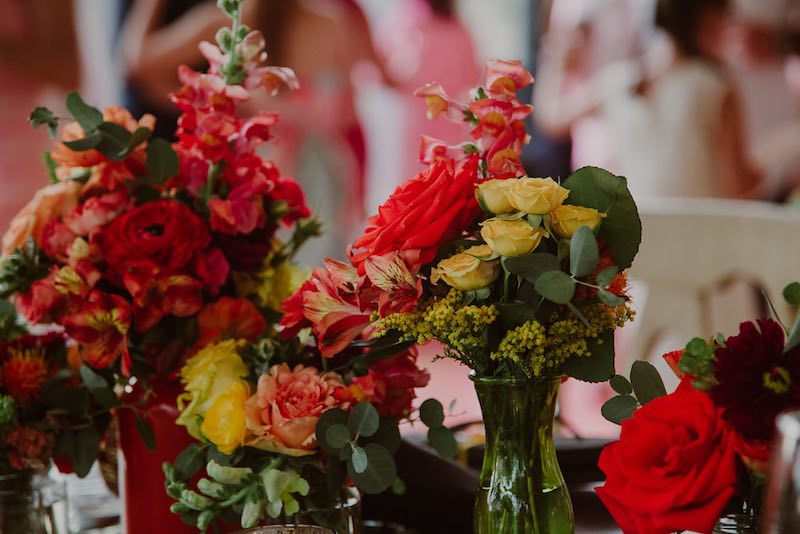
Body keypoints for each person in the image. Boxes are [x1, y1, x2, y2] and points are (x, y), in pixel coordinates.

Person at [536, 0, 761, 200]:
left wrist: (556, 60)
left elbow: (551, 118)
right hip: (698, 233)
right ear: (707, 19)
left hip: (640, 231)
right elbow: (738, 186)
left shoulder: (618, 81)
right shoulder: (714, 87)